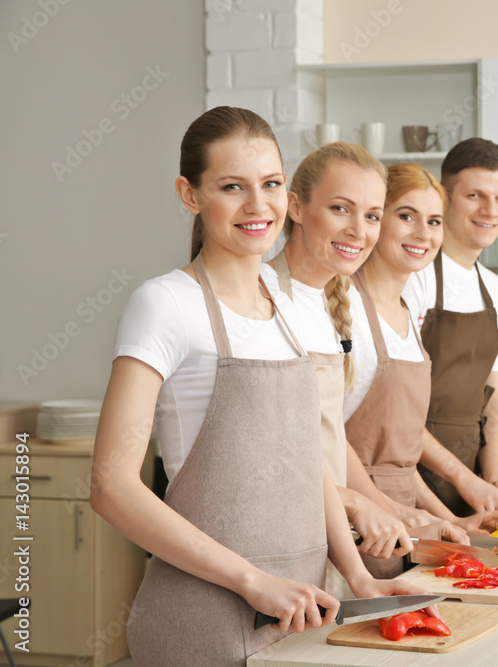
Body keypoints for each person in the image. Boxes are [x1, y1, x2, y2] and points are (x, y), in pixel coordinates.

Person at [91, 107, 433, 667]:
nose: (259, 206)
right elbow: (111, 487)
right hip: (204, 614)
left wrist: (357, 577)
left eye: (270, 184)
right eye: (232, 187)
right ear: (190, 194)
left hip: (304, 608)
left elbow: (306, 461)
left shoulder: (287, 307)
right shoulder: (164, 304)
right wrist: (252, 581)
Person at [258, 145, 471, 571]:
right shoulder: (261, 295)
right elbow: (267, 451)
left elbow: (330, 438)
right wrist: (361, 504)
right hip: (274, 534)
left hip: (332, 531)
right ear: (295, 207)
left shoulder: (328, 304)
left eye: (371, 215)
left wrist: (395, 512)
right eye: (341, 209)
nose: (359, 230)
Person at [341, 162, 498, 575]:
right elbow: (328, 439)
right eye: (406, 216)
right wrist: (391, 509)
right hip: (360, 525)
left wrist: (450, 520)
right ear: (375, 220)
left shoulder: (405, 313)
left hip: (406, 522)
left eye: (433, 221)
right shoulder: (348, 307)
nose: (423, 233)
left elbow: (400, 461)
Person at [403, 138, 498, 515]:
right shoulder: (414, 276)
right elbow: (396, 410)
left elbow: (497, 400)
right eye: (476, 195)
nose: (491, 210)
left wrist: (494, 485)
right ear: (445, 198)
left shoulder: (495, 288)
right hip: (410, 480)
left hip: (469, 485)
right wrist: (465, 480)